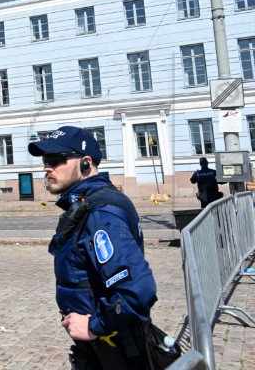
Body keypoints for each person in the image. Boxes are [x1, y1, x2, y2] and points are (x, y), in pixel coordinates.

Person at [29, 126, 158, 369]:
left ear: (86, 163)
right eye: (46, 160)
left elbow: (138, 290)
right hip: (102, 348)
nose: (47, 168)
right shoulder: (86, 204)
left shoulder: (102, 213)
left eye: (56, 160)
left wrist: (95, 326)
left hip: (117, 348)